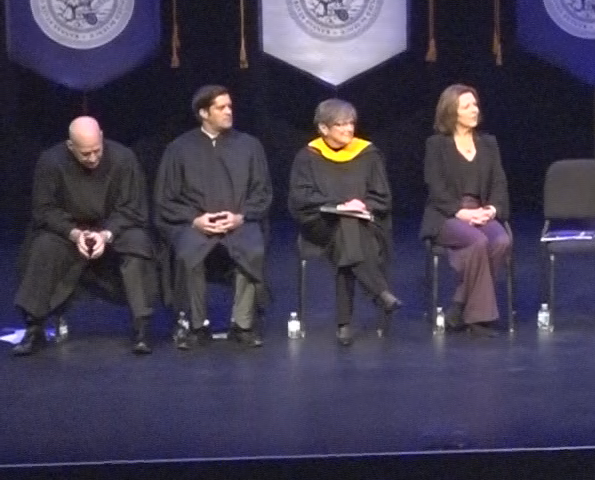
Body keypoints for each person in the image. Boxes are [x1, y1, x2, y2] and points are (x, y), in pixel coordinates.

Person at [12, 117, 158, 356]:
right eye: (85, 154)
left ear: (101, 136)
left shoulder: (124, 158)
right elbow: (44, 209)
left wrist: (106, 234)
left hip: (113, 228)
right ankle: (34, 327)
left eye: (96, 151)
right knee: (43, 246)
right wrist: (74, 233)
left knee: (138, 244)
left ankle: (142, 327)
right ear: (71, 147)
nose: (92, 158)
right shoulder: (51, 161)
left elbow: (132, 208)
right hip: (69, 230)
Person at [154, 85, 273, 349]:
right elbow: (166, 198)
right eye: (221, 107)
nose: (229, 111)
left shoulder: (249, 146)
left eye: (230, 106)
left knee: (253, 249)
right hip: (196, 223)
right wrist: (195, 219)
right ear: (203, 112)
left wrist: (240, 217)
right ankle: (197, 325)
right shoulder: (179, 148)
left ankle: (242, 324)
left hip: (238, 222)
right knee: (187, 253)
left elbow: (262, 193)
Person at [288, 98, 400, 346]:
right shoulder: (308, 156)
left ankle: (345, 323)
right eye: (340, 124)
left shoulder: (368, 154)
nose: (349, 129)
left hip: (362, 224)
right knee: (345, 227)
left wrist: (361, 207)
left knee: (348, 232)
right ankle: (378, 292)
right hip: (320, 224)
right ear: (323, 129)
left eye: (351, 123)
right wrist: (339, 206)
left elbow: (382, 197)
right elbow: (301, 198)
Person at [422, 84, 512, 333]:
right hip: (447, 215)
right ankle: (478, 319)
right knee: (477, 242)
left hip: (481, 211)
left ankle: (460, 304)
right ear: (452, 112)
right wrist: (460, 212)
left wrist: (492, 210)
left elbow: (499, 182)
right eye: (467, 106)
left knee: (501, 241)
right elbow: (435, 186)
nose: (475, 110)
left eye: (475, 104)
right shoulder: (436, 145)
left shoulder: (488, 143)